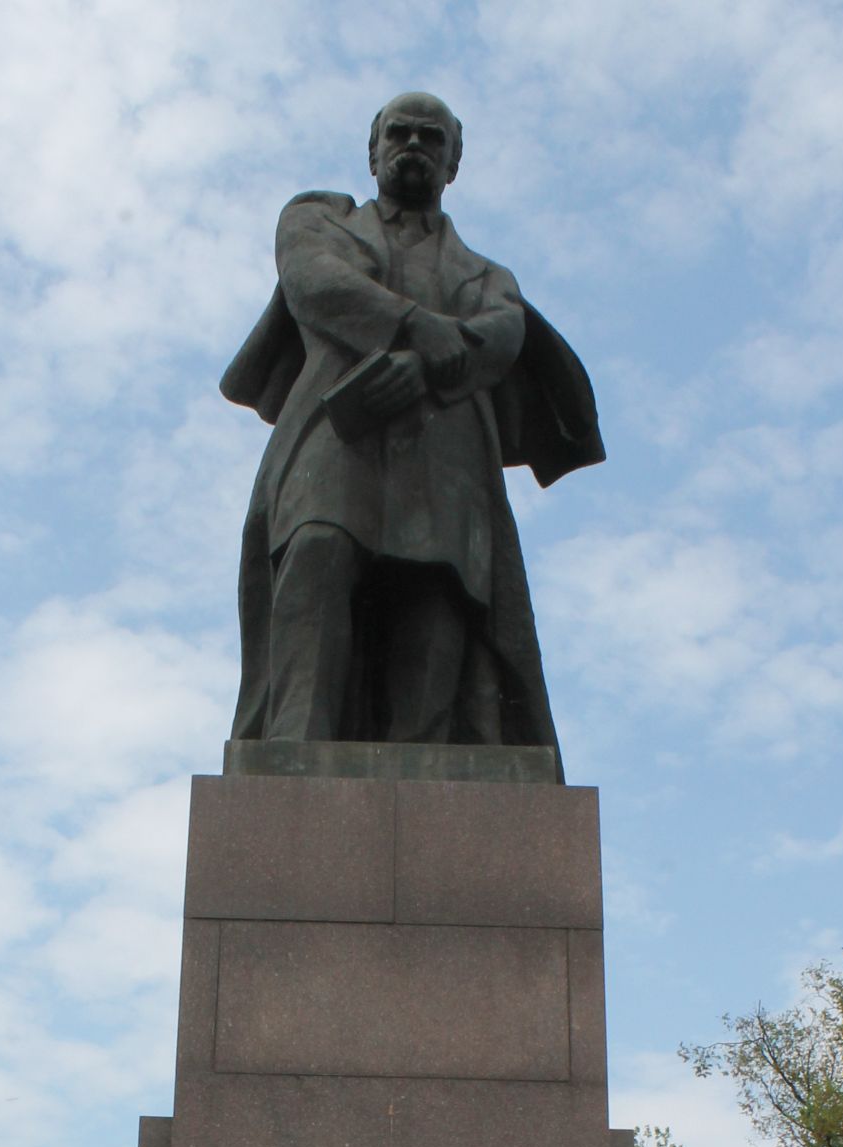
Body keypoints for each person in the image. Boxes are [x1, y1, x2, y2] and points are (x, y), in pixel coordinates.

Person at [221, 91, 602, 748]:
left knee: (438, 597)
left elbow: (504, 332)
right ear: (373, 152)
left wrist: (425, 371)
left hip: (446, 449)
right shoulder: (318, 222)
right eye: (400, 133)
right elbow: (316, 284)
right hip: (338, 430)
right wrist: (418, 329)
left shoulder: (486, 275)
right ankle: (292, 752)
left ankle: (428, 763)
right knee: (316, 549)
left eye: (433, 137)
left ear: (454, 163)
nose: (415, 145)